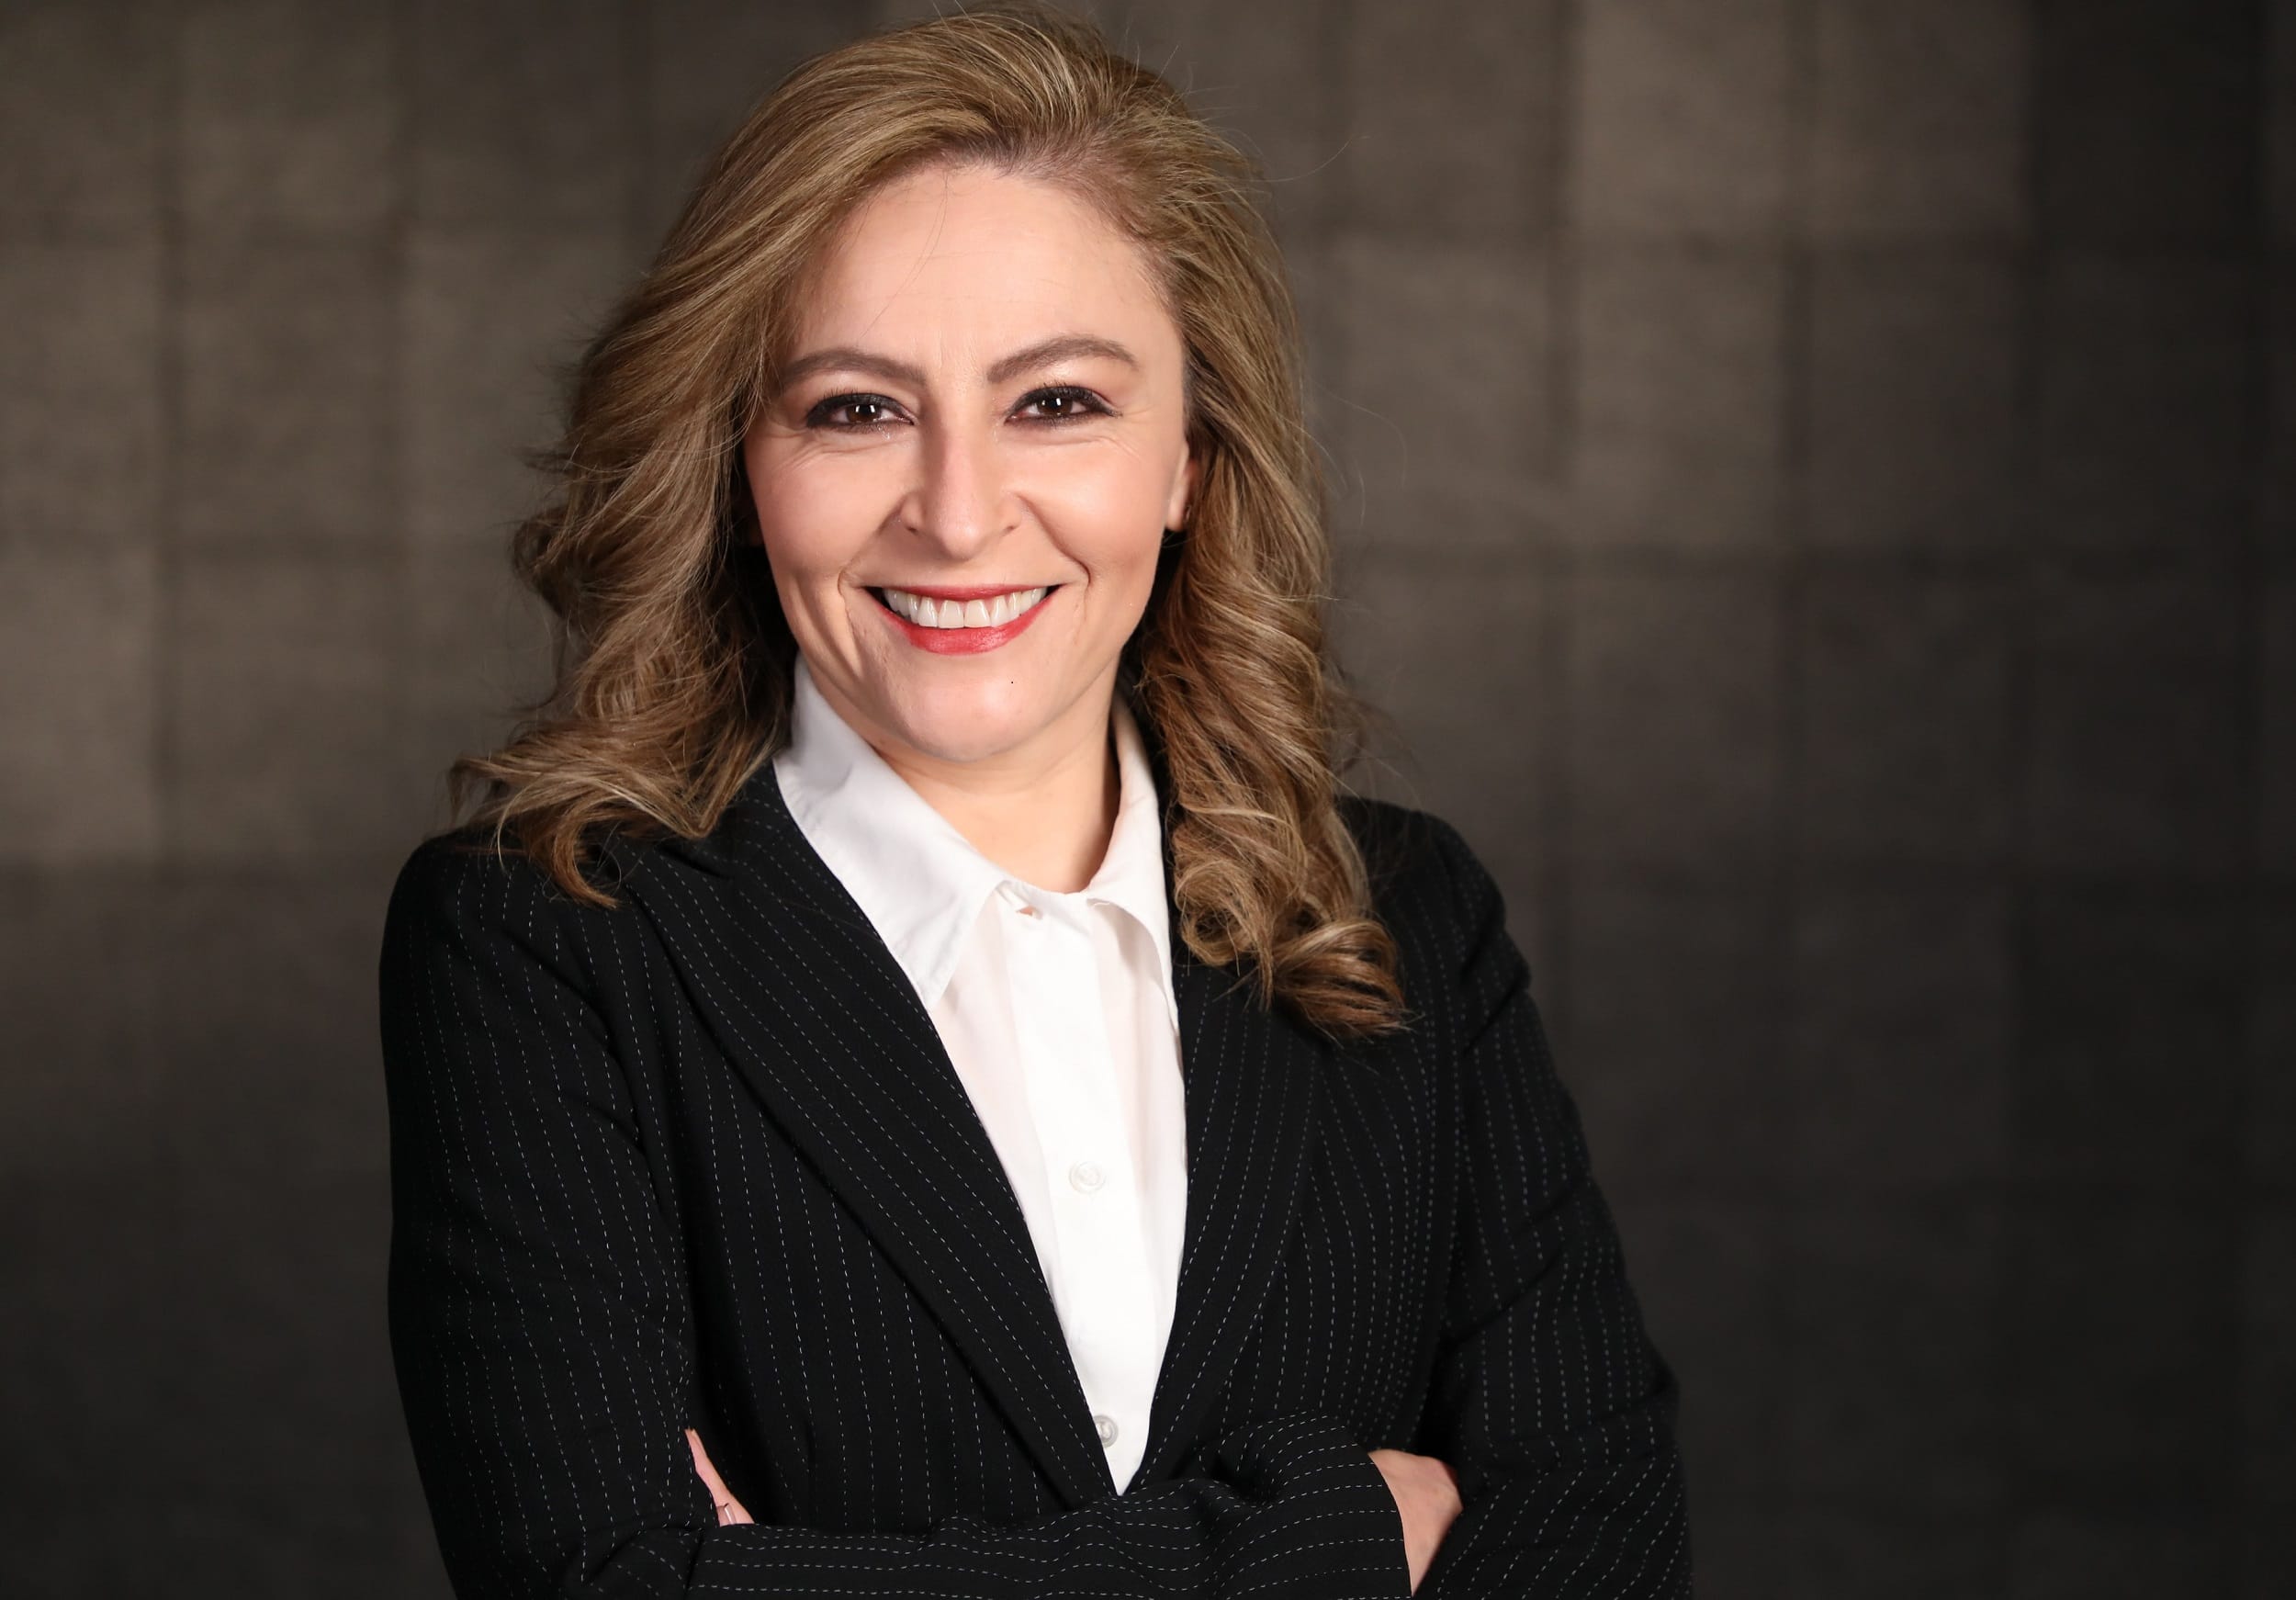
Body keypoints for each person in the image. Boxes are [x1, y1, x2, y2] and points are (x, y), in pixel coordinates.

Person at [377, 5, 1690, 1595]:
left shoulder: (1409, 916)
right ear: (741, 463)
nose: (955, 514)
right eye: (856, 407)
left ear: (1190, 455)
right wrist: (1325, 1542)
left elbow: (1605, 1537)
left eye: (1056, 401)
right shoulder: (545, 941)